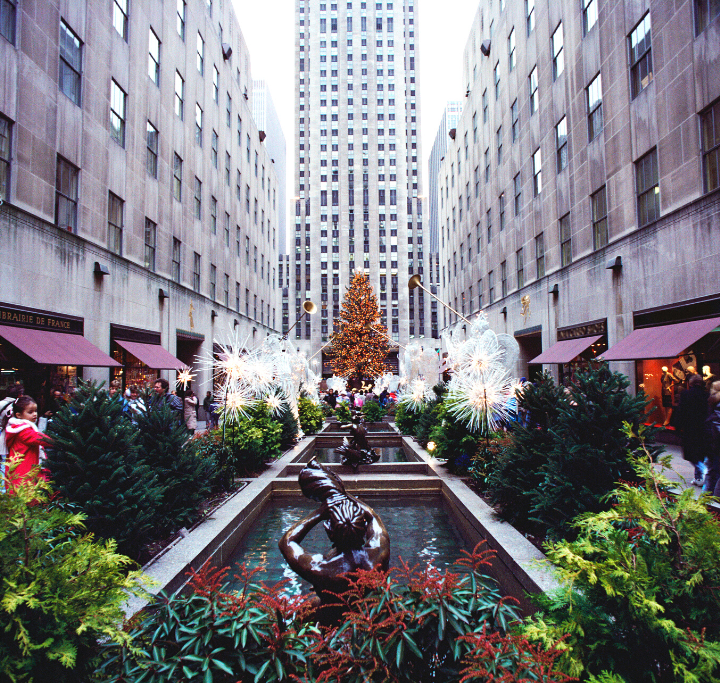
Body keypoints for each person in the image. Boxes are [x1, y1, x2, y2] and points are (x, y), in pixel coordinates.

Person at [279, 459, 389, 620]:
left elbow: (287, 541)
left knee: (302, 613)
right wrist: (342, 495)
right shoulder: (380, 551)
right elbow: (372, 515)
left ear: (328, 530)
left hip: (333, 618)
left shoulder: (321, 569)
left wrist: (319, 513)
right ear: (364, 528)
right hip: (371, 615)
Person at [3, 395, 50, 492]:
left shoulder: (17, 428)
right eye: (30, 412)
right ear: (18, 415)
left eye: (35, 411)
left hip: (18, 473)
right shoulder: (23, 431)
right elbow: (40, 438)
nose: (34, 414)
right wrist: (57, 441)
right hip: (24, 475)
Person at [672, 373, 709, 486]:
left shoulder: (686, 394)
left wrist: (677, 427)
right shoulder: (706, 395)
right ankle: (698, 478)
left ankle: (703, 471)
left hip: (690, 428)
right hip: (703, 428)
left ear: (690, 383)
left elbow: (681, 411)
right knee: (701, 452)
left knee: (691, 454)